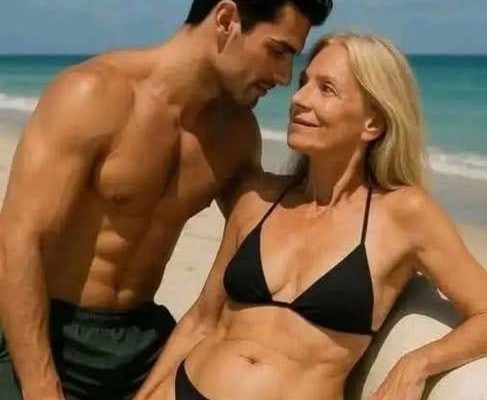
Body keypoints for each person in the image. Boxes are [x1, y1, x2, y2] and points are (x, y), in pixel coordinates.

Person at [134, 32, 487, 400]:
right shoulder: (259, 198)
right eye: (303, 83)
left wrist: (417, 364)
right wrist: (148, 394)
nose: (299, 98)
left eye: (326, 89)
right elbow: (202, 319)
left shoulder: (404, 214)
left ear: (372, 123)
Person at [0, 1, 333, 399]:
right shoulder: (93, 95)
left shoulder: (235, 135)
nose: (284, 76)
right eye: (277, 51)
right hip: (39, 328)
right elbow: (17, 240)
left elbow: (268, 234)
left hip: (139, 340)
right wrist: (40, 387)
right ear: (226, 20)